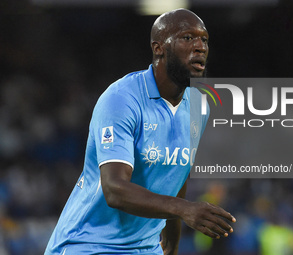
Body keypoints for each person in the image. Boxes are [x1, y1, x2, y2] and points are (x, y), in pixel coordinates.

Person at [45, 8, 236, 255]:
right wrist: (184, 209)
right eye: (188, 38)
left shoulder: (199, 106)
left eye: (204, 39)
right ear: (159, 48)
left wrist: (172, 239)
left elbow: (177, 174)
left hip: (145, 248)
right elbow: (114, 189)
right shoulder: (122, 99)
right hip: (88, 244)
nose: (200, 47)